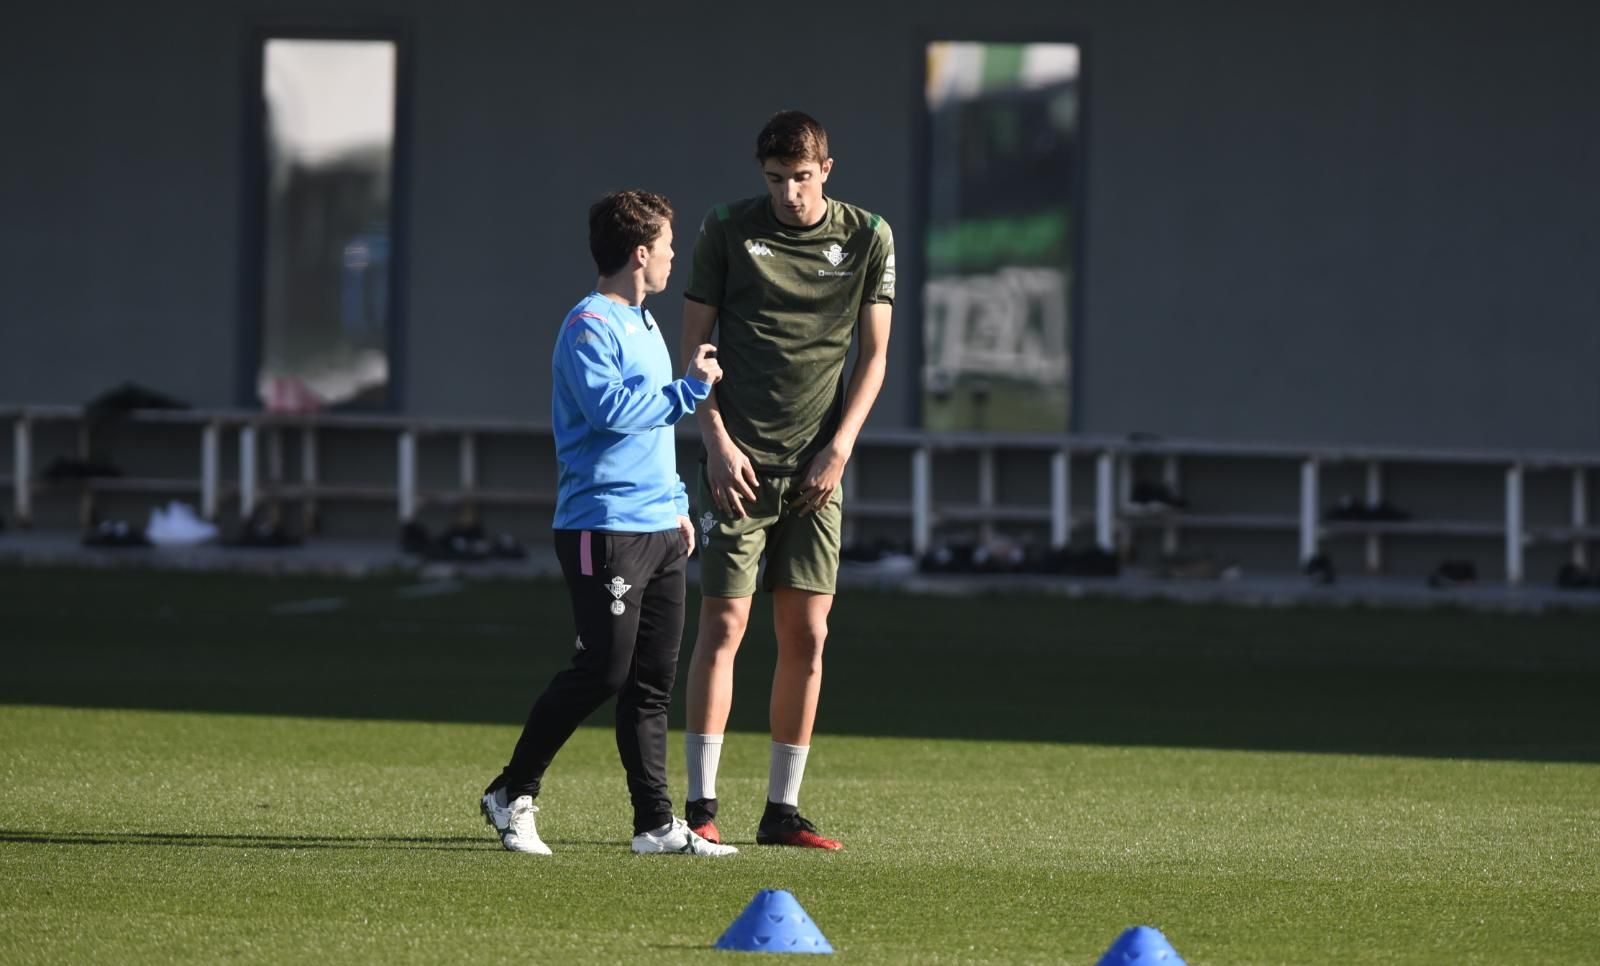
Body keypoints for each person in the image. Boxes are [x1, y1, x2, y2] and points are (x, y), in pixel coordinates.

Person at [480, 189, 735, 857]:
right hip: (603, 526)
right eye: (668, 246)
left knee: (653, 681)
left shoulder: (646, 323)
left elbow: (653, 439)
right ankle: (512, 792)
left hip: (659, 528)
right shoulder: (587, 326)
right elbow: (613, 413)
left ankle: (654, 825)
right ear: (640, 253)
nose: (675, 257)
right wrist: (689, 390)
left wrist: (679, 504)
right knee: (603, 671)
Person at [680, 111, 895, 850]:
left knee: (807, 634)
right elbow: (695, 347)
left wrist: (840, 447)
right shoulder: (726, 229)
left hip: (815, 471)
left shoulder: (869, 235)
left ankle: (782, 811)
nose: (790, 194)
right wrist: (712, 441)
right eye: (776, 180)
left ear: (826, 170)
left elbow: (873, 359)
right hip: (735, 464)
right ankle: (700, 807)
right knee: (725, 626)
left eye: (802, 178)